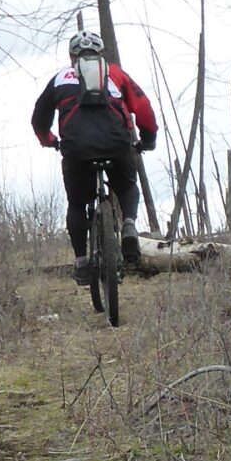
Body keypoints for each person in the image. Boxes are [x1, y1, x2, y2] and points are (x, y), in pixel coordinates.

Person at [31, 29, 158, 279]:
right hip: (117, 143)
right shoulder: (116, 74)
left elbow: (39, 116)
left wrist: (49, 141)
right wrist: (148, 139)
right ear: (100, 53)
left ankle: (81, 262)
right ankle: (130, 224)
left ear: (72, 57)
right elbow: (143, 107)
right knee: (127, 185)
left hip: (76, 150)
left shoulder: (59, 79)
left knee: (77, 203)